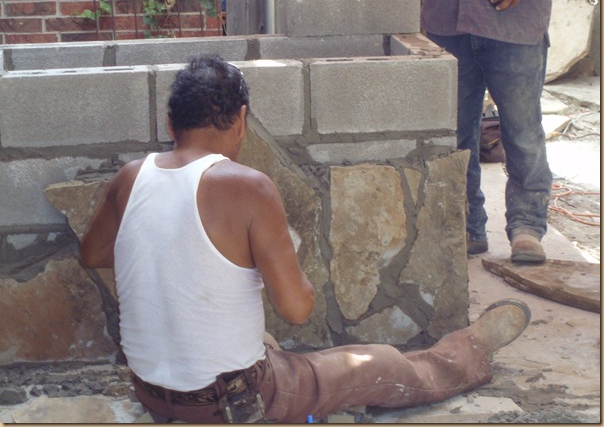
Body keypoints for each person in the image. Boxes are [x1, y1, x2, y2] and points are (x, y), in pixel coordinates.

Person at [81, 55, 532, 423]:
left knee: (266, 347)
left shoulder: (131, 176)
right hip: (235, 401)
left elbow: (94, 252)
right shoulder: (247, 187)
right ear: (240, 120)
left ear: (170, 122)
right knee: (375, 363)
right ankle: (469, 350)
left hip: (153, 395)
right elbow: (298, 310)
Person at [421, 0, 570, 262]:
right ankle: (465, 223)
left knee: (522, 133)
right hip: (445, 24)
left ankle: (526, 226)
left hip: (515, 22)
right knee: (453, 135)